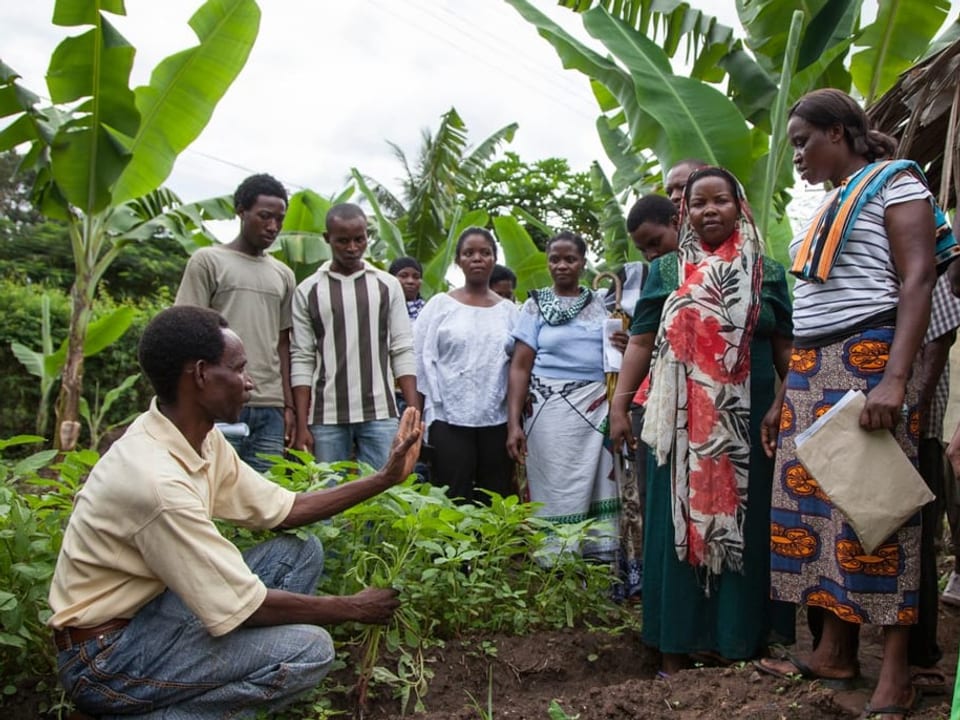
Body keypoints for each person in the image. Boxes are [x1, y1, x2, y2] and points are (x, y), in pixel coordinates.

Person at [48, 306, 423, 718]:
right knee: (309, 650)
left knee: (299, 552)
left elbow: (287, 510)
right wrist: (355, 607)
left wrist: (385, 478)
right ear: (201, 374)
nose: (250, 383)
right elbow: (250, 604)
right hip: (105, 660)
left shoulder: (198, 439)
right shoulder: (156, 483)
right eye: (239, 369)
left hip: (148, 615)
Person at [758, 88, 938, 718]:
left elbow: (918, 278)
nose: (799, 156)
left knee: (878, 513)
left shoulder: (897, 182)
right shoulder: (828, 205)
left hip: (867, 360)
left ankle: (895, 671)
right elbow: (810, 309)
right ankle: (834, 649)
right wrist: (785, 394)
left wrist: (894, 378)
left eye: (804, 141)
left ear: (839, 132)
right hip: (811, 368)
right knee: (821, 513)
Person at [609, 167, 794, 674]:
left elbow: (785, 350)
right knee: (676, 525)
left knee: (746, 526)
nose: (709, 210)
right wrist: (619, 407)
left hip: (749, 421)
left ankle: (738, 644)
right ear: (683, 213)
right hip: (678, 423)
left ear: (740, 205)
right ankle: (676, 648)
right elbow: (643, 340)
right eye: (698, 204)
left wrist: (790, 405)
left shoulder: (769, 272)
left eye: (721, 201)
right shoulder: (666, 271)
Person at [506, 231, 626, 562]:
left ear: (583, 263)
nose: (561, 265)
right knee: (551, 481)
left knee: (599, 482)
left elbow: (617, 359)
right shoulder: (533, 307)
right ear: (547, 263)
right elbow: (519, 368)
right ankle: (552, 560)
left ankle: (595, 559)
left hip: (595, 410)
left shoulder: (602, 305)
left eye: (570, 259)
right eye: (555, 259)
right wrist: (512, 423)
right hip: (547, 412)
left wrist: (624, 345)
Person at [175, 173, 296, 473]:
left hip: (269, 405)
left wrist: (289, 405)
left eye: (279, 219)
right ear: (241, 211)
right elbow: (186, 333)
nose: (273, 226)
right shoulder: (208, 261)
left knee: (266, 500)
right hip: (220, 402)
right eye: (264, 216)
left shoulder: (283, 275)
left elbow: (283, 342)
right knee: (213, 488)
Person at [290, 203, 418, 469]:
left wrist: (413, 415)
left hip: (381, 413)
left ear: (367, 237)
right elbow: (302, 358)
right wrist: (302, 424)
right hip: (326, 415)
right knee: (326, 496)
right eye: (342, 241)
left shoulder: (386, 285)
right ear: (327, 239)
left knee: (384, 497)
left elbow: (402, 349)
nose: (351, 248)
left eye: (359, 239)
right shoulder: (309, 290)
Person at [414, 228, 519, 502]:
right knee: (452, 495)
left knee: (494, 495)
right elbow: (419, 363)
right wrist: (416, 417)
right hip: (448, 417)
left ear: (494, 259)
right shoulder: (439, 306)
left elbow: (520, 365)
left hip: (497, 420)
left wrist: (515, 420)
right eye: (469, 253)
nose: (477, 259)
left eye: (485, 253)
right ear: (458, 261)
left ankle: (491, 547)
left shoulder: (509, 312)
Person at [389, 256, 426, 322]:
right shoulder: (384, 310)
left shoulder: (428, 311)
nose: (410, 281)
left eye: (416, 277)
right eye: (403, 276)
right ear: (391, 279)